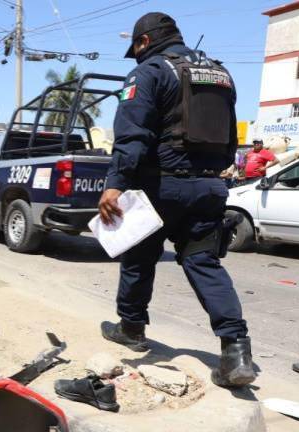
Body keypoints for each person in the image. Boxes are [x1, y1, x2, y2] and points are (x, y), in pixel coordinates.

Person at [97, 12, 255, 388]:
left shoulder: (149, 71)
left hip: (161, 187)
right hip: (210, 187)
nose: (134, 56)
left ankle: (132, 328)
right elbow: (229, 136)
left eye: (135, 48)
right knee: (203, 261)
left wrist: (115, 183)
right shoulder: (220, 73)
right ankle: (236, 350)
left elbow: (132, 134)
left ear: (145, 42)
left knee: (138, 257)